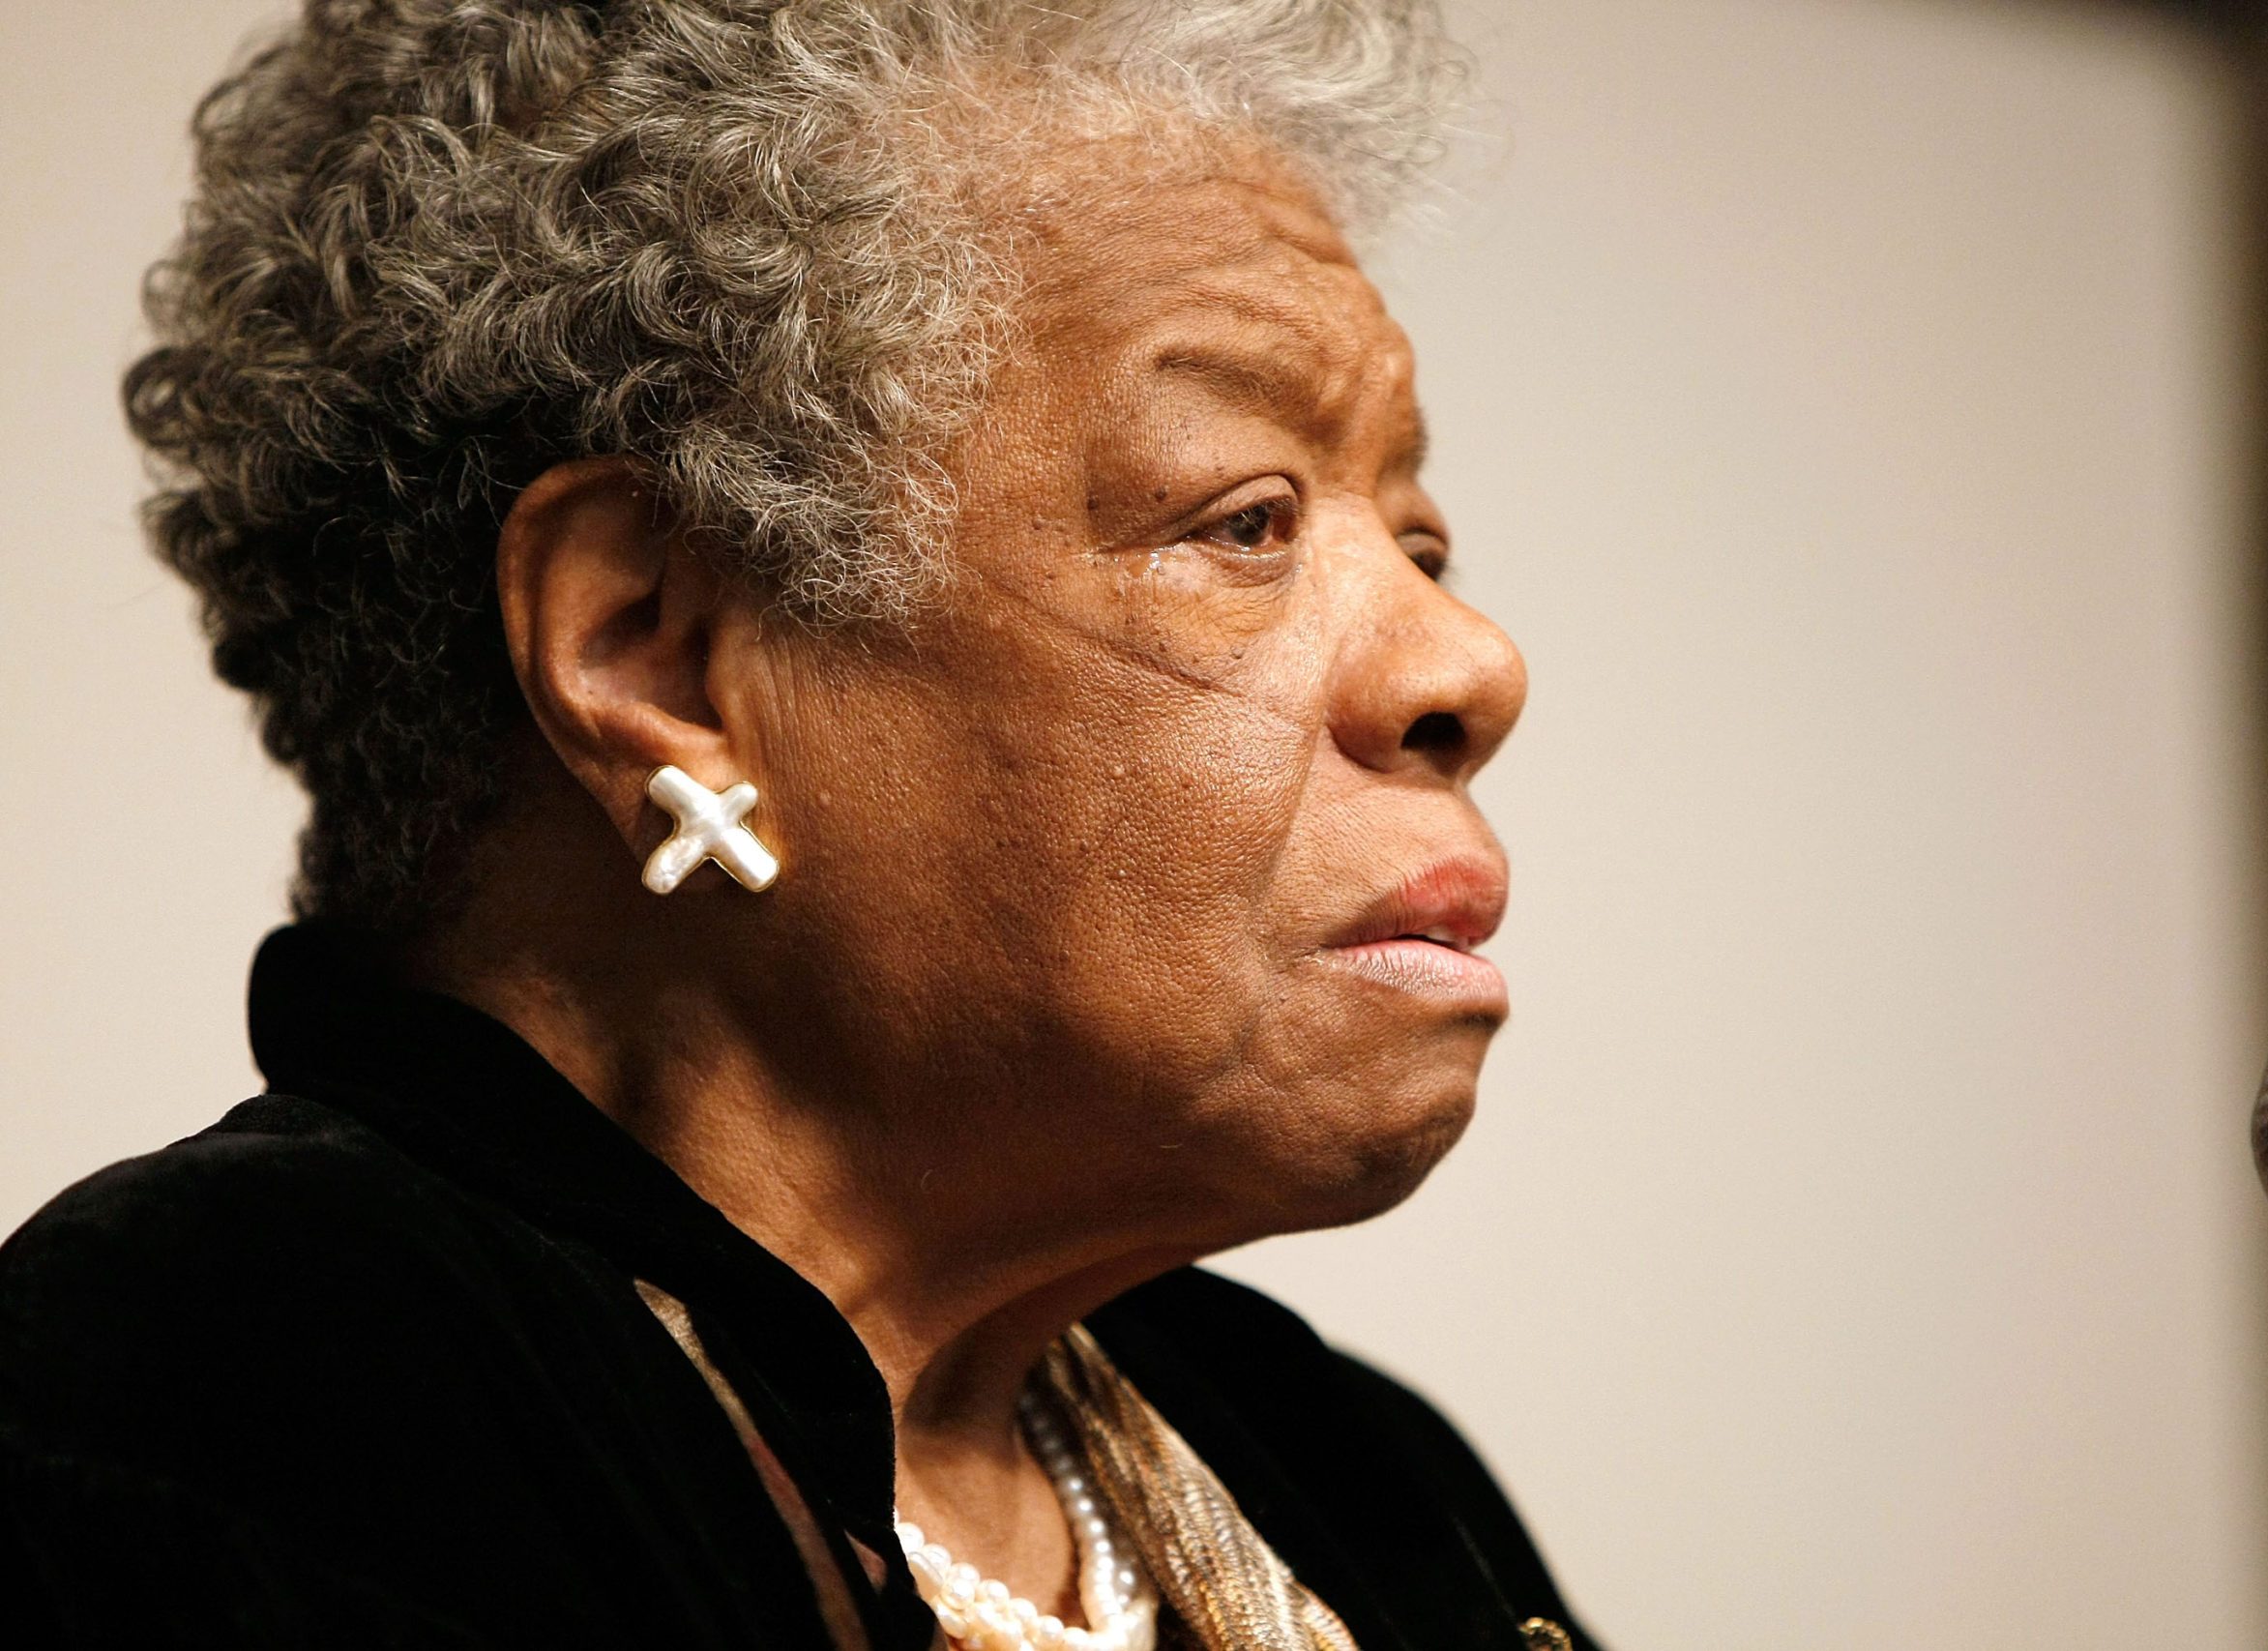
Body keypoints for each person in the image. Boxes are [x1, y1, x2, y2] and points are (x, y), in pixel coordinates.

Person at [0, 2, 1590, 1646]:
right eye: (1242, 519)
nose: (1468, 664)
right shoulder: (242, 1385)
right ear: (658, 652)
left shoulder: (1342, 1466)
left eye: (1421, 543)